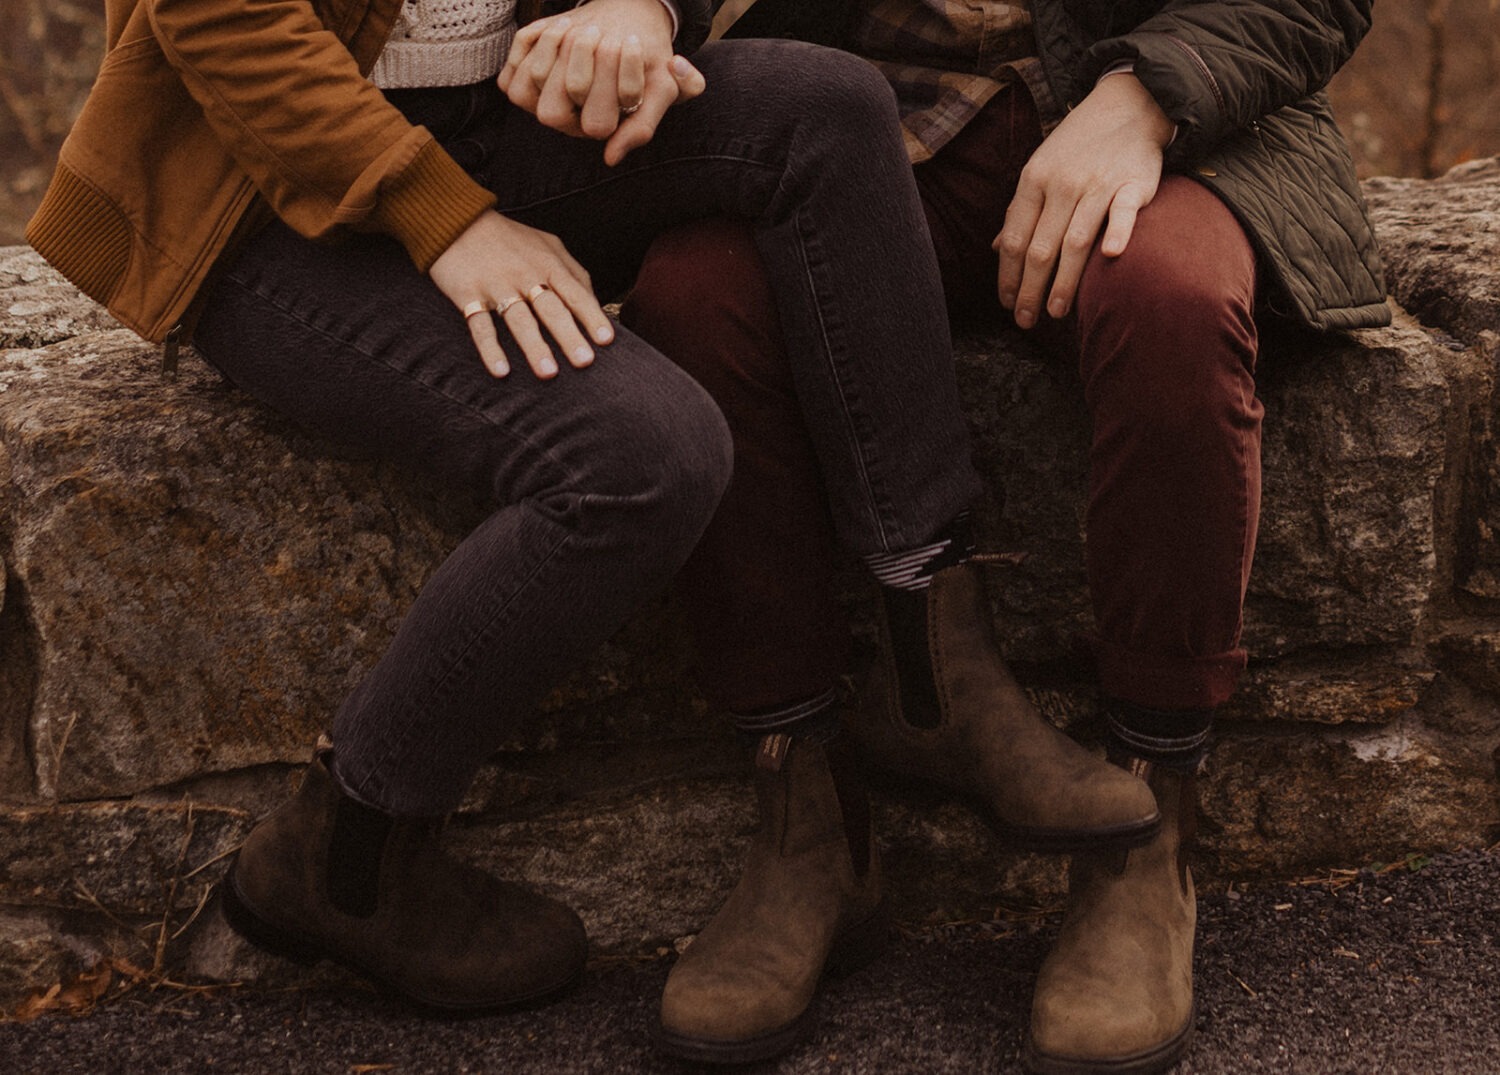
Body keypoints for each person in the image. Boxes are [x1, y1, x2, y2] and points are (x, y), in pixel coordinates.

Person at [27, 0, 1159, 1027]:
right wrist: (448, 221)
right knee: (646, 456)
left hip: (495, 123)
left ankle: (932, 663)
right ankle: (346, 848)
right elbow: (224, 21)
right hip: (262, 202)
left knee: (825, 106)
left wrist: (640, 5)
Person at [621, 0, 1388, 1070]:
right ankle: (809, 818)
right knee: (698, 296)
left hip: (1169, 113)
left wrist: (1146, 96)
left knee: (1171, 301)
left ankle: (1148, 829)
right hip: (863, 118)